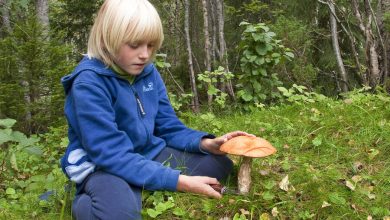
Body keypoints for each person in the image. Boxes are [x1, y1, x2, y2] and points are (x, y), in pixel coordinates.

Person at [60, 0, 254, 219]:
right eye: (134, 45)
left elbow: (168, 127)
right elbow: (111, 155)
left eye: (151, 45)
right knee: (119, 213)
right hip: (104, 166)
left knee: (219, 165)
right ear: (108, 39)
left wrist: (207, 144)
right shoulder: (88, 83)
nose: (144, 54)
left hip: (148, 153)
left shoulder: (147, 72)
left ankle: (141, 182)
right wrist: (181, 182)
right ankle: (86, 200)